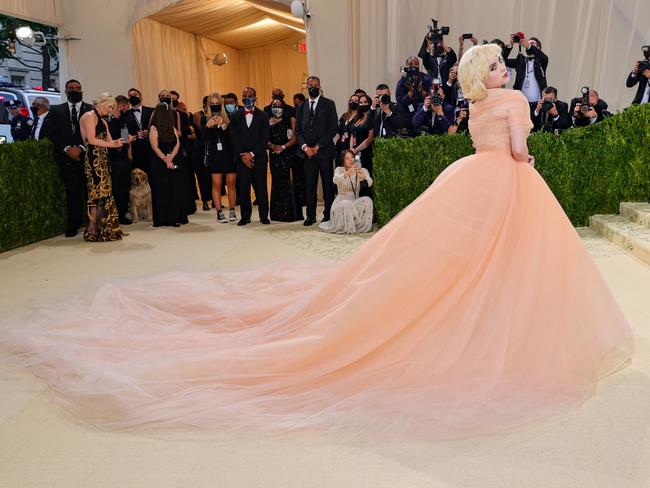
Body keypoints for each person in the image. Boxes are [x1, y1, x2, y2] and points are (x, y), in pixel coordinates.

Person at [0, 44, 633, 440]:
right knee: (509, 257)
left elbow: (482, 145)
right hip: (510, 183)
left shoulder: (475, 108)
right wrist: (523, 160)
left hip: (472, 180)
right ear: (486, 73)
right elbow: (521, 153)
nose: (501, 68)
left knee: (452, 259)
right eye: (494, 63)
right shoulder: (516, 105)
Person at [47, 79, 94, 237]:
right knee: (72, 193)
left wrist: (81, 148)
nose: (75, 90)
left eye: (78, 88)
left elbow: (94, 133)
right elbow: (52, 133)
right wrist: (67, 149)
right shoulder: (55, 110)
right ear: (66, 91)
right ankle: (73, 224)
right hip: (66, 159)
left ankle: (92, 223)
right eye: (71, 88)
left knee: (90, 193)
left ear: (82, 91)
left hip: (87, 158)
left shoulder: (91, 110)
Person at [78, 93, 126, 242]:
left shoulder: (103, 121)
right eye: (110, 107)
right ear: (101, 103)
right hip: (93, 159)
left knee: (105, 192)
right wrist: (111, 144)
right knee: (96, 194)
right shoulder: (88, 116)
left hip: (103, 159)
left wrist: (119, 142)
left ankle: (105, 228)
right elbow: (91, 140)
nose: (111, 110)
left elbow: (110, 141)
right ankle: (93, 230)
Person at [295, 75, 338, 226]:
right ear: (307, 87)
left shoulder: (329, 104)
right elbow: (298, 130)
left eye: (315, 85)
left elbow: (333, 128)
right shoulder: (301, 106)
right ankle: (311, 216)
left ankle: (328, 214)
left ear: (319, 87)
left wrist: (318, 146)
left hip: (324, 152)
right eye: (310, 85)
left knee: (327, 184)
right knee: (310, 186)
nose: (312, 87)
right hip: (307, 154)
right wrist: (306, 147)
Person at [229, 87, 270, 225]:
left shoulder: (263, 116)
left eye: (250, 96)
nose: (248, 98)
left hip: (259, 158)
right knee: (244, 189)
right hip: (242, 159)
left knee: (261, 188)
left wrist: (251, 154)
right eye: (245, 96)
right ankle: (245, 216)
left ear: (255, 98)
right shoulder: (235, 116)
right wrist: (243, 156)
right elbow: (234, 138)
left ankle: (264, 216)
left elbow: (264, 139)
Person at [148, 102, 189, 227]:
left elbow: (177, 143)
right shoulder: (153, 128)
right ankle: (163, 218)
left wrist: (171, 157)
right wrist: (166, 159)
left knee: (175, 190)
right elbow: (155, 147)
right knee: (162, 191)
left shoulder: (172, 127)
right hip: (159, 163)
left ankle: (176, 217)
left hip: (172, 160)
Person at [319, 149, 373, 234]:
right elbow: (335, 180)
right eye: (347, 158)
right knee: (346, 203)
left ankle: (362, 227)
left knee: (367, 200)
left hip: (355, 200)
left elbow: (369, 183)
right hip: (342, 201)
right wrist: (347, 173)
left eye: (352, 157)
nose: (351, 160)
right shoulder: (339, 170)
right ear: (343, 161)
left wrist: (362, 177)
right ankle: (346, 227)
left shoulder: (362, 169)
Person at [203, 93, 237, 223]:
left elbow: (233, 136)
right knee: (216, 184)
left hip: (228, 154)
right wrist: (208, 126)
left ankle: (232, 210)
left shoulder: (229, 117)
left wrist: (224, 126)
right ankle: (219, 212)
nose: (215, 106)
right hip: (215, 155)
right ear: (209, 105)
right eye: (213, 104)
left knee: (231, 184)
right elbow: (203, 139)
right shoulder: (204, 118)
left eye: (218, 104)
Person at [268, 97, 303, 222]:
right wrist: (272, 146)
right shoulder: (268, 121)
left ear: (283, 107)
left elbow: (295, 138)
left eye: (279, 105)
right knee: (276, 182)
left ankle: (291, 214)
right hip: (274, 155)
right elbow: (264, 139)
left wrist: (283, 147)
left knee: (289, 182)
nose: (276, 108)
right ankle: (277, 214)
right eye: (274, 106)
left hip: (288, 154)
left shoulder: (290, 119)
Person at [106, 95, 133, 224]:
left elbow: (125, 139)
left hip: (123, 159)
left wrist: (130, 140)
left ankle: (122, 214)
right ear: (121, 105)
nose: (127, 109)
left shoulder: (123, 120)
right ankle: (114, 215)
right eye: (126, 107)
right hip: (112, 158)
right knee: (115, 188)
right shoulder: (107, 120)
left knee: (124, 187)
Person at [503, 35, 548, 107]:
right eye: (528, 43)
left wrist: (529, 46)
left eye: (532, 43)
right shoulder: (521, 61)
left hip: (538, 104)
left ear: (538, 48)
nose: (527, 44)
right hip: (520, 103)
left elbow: (544, 57)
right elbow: (503, 61)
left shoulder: (542, 61)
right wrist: (510, 45)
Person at [192, 96, 215, 211]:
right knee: (202, 176)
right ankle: (205, 201)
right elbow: (202, 129)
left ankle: (215, 201)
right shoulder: (198, 115)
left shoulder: (217, 115)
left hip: (213, 148)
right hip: (201, 149)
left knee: (214, 176)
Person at [123, 88, 153, 174]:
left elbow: (158, 127)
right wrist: (128, 138)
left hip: (151, 150)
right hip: (135, 152)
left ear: (141, 97)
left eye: (135, 94)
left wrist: (149, 133)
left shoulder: (151, 111)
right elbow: (123, 135)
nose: (132, 96)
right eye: (130, 95)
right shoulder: (124, 114)